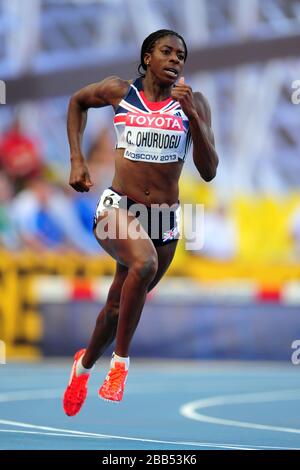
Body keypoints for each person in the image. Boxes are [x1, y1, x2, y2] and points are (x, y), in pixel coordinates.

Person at [63, 29, 218, 416]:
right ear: (148, 57)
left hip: (163, 220)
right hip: (118, 209)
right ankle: (120, 366)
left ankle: (82, 368)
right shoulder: (120, 92)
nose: (175, 60)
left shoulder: (194, 102)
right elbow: (77, 102)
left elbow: (209, 170)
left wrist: (194, 119)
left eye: (181, 55)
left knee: (117, 309)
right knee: (144, 264)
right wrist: (77, 161)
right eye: (166, 52)